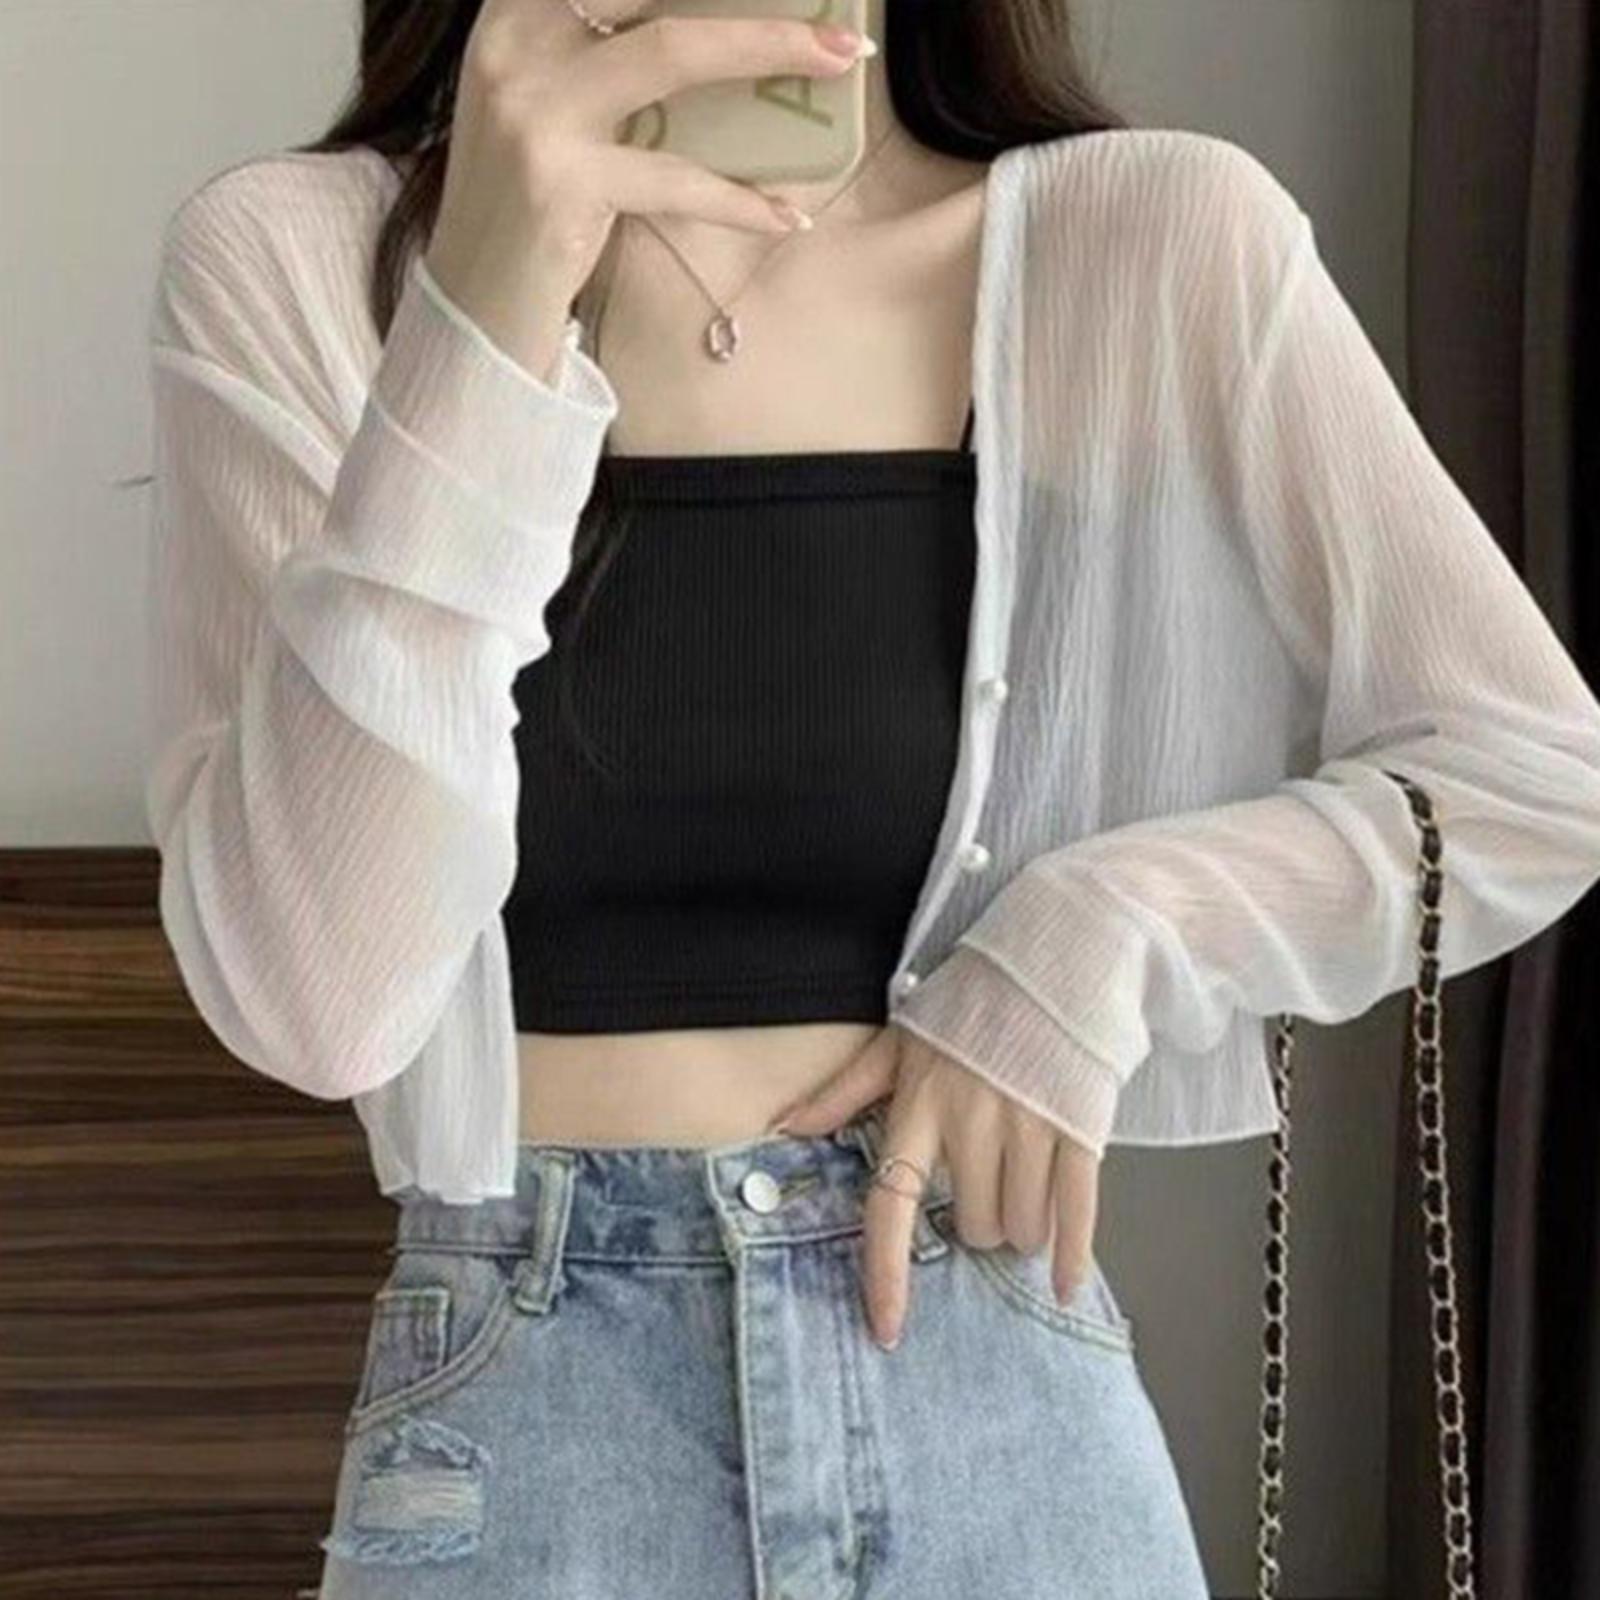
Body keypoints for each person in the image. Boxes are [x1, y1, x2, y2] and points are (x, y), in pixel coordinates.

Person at [140, 0, 1600, 1594]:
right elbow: (320, 1005)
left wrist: (1099, 934)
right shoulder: (292, 260)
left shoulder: (1148, 240)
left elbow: (1531, 774)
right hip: (530, 1427)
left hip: (994, 1399)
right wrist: (483, 316)